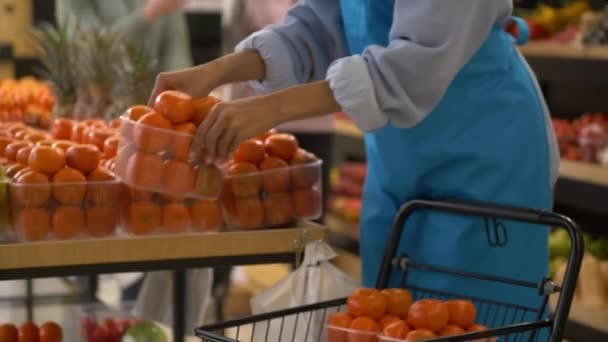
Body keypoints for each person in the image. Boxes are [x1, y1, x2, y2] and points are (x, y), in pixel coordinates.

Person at [150, 0, 558, 332]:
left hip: (482, 155)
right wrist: (218, 71)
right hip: (398, 161)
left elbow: (410, 68)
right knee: (386, 319)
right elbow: (320, 25)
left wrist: (269, 108)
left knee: (472, 323)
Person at [56, 0, 193, 72]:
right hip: (93, 106)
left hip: (152, 105)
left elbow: (176, 50)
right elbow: (93, 47)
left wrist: (180, 93)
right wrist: (147, 14)